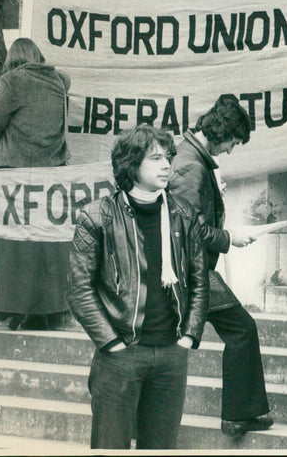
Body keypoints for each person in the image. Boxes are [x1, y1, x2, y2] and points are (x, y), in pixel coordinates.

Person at [67, 125, 209, 449]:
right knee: (110, 446)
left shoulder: (182, 214)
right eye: (155, 158)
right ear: (131, 165)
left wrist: (189, 335)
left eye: (168, 157)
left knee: (160, 447)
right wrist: (112, 343)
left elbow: (200, 281)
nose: (166, 165)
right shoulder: (97, 216)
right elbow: (79, 290)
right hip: (121, 354)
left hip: (172, 354)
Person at [168, 96, 273, 438]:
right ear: (220, 132)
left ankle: (242, 412)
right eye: (231, 142)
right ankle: (238, 414)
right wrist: (230, 238)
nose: (230, 150)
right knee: (242, 330)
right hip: (191, 271)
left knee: (240, 330)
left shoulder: (190, 157)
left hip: (189, 269)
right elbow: (190, 228)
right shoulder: (191, 164)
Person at [0, 37, 71, 330]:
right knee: (44, 245)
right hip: (50, 174)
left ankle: (11, 306)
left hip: (15, 175)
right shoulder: (59, 81)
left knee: (13, 247)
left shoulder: (13, 81)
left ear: (13, 59)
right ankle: (46, 310)